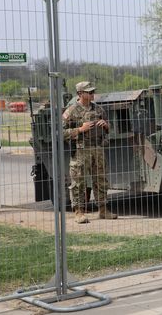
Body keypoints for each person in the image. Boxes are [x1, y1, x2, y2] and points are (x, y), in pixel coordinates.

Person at [63, 81, 117, 224]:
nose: (93, 94)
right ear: (80, 94)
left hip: (98, 149)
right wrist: (80, 129)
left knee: (101, 180)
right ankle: (78, 212)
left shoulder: (99, 110)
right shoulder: (71, 111)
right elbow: (60, 133)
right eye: (89, 92)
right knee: (78, 182)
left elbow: (108, 129)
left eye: (93, 91)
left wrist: (106, 125)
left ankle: (103, 210)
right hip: (81, 150)